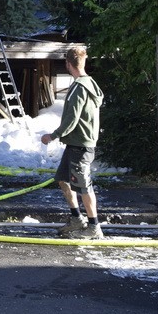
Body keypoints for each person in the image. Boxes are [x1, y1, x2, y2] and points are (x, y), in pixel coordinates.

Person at [41, 46, 105, 240]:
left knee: (84, 186)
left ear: (68, 64)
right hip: (76, 144)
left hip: (81, 145)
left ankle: (94, 226)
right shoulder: (90, 83)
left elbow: (72, 119)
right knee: (62, 179)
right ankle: (77, 218)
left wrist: (53, 136)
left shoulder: (79, 88)